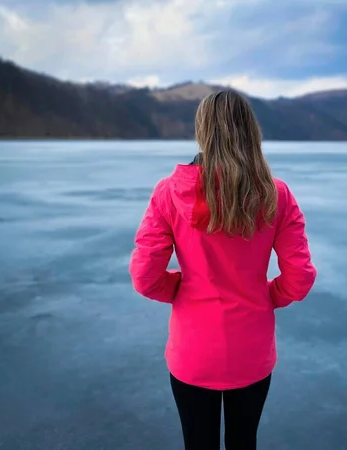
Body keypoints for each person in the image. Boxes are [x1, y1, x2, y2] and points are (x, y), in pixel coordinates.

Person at [129, 90, 316, 450]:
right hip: (252, 349)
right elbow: (300, 278)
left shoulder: (168, 193)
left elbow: (144, 276)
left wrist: (180, 291)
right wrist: (266, 296)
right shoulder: (276, 195)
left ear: (202, 132)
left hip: (192, 351)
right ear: (251, 132)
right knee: (244, 442)